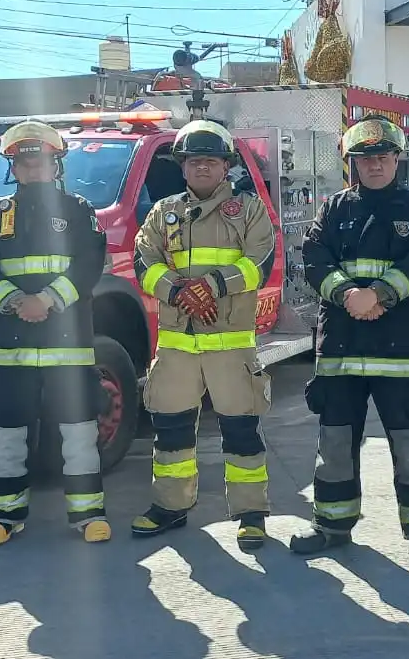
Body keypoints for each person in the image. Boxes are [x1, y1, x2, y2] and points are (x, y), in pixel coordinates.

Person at [288, 116, 409, 569]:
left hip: (401, 350)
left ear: (397, 159)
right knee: (335, 444)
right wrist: (348, 295)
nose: (375, 165)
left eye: (383, 156)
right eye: (365, 158)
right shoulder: (334, 208)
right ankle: (332, 526)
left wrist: (376, 295)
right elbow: (314, 258)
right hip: (342, 348)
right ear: (352, 163)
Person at [131, 120, 277, 550]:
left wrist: (211, 285)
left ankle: (251, 515)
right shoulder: (163, 212)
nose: (202, 168)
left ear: (226, 166)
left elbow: (260, 262)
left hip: (231, 345)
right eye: (193, 160)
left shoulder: (249, 210)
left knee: (242, 435)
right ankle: (170, 507)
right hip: (177, 346)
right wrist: (178, 292)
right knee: (171, 433)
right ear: (182, 166)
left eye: (210, 161)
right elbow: (145, 263)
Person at [0, 120, 111, 546]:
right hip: (9, 348)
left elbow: (88, 265)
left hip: (67, 348)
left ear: (56, 163)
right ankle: (5, 516)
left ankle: (88, 516)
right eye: (23, 161)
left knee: (80, 434)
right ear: (14, 166)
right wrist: (14, 300)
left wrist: (46, 300)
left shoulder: (79, 211)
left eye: (39, 159)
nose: (32, 167)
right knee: (7, 436)